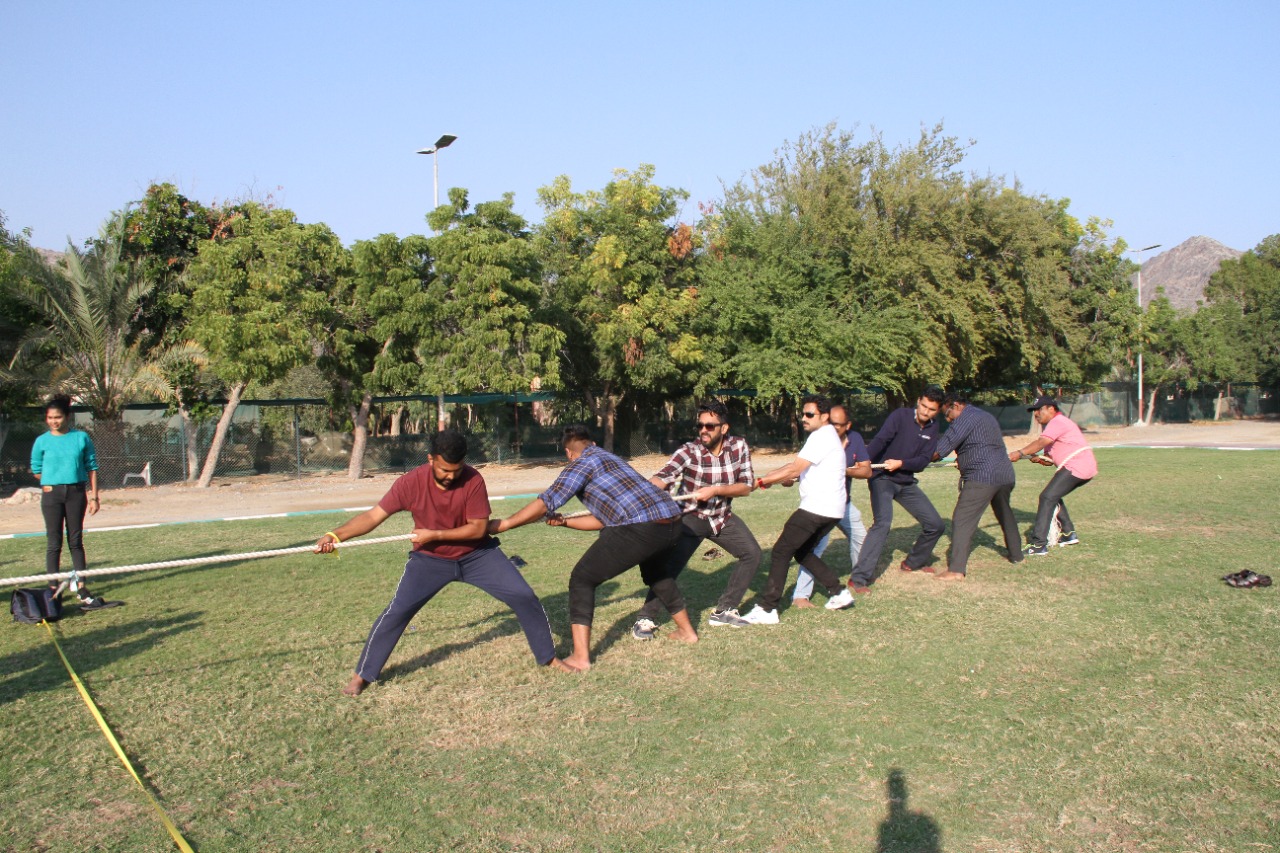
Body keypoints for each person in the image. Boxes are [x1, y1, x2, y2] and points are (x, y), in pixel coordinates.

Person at [314, 430, 573, 696]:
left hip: (478, 555)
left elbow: (477, 530)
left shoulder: (472, 480)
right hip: (429, 560)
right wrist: (336, 535)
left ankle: (548, 657)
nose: (451, 476)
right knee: (398, 611)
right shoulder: (409, 483)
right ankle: (362, 675)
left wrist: (434, 534)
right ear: (430, 460)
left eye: (456, 470)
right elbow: (373, 516)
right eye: (444, 470)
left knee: (523, 595)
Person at [488, 425, 698, 671]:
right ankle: (687, 632)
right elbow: (605, 520)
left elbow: (547, 501)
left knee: (582, 579)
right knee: (656, 573)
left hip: (642, 526)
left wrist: (505, 524)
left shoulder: (579, 465)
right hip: (672, 523)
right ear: (594, 444)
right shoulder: (610, 458)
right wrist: (565, 522)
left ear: (569, 453)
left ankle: (580, 658)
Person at [630, 400, 761, 637]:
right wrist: (642, 494)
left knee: (751, 553)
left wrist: (716, 490)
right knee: (671, 568)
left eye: (710, 426)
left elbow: (746, 486)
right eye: (700, 425)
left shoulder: (739, 447)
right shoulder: (689, 451)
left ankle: (725, 610)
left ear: (724, 428)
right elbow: (663, 476)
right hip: (691, 518)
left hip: (722, 517)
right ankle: (645, 619)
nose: (703, 430)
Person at [741, 395, 857, 623]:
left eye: (809, 414)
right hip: (832, 510)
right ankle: (838, 592)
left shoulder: (821, 437)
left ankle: (767, 609)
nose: (803, 418)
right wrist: (766, 479)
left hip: (816, 508)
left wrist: (762, 483)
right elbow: (796, 467)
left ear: (824, 417)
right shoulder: (827, 436)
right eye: (802, 413)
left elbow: (794, 470)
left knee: (781, 551)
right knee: (802, 551)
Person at [846, 387, 947, 590]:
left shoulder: (933, 428)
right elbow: (881, 440)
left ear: (938, 411)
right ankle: (858, 578)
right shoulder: (900, 416)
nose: (926, 412)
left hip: (905, 481)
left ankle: (913, 563)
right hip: (882, 477)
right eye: (924, 406)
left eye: (932, 410)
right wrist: (864, 461)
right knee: (882, 523)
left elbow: (922, 461)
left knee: (936, 524)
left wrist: (901, 463)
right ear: (918, 401)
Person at [30, 395, 117, 611]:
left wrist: (95, 496)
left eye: (58, 417)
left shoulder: (81, 438)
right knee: (54, 542)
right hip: (51, 496)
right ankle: (52, 590)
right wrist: (52, 482)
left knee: (75, 541)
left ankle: (82, 588)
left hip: (76, 493)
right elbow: (36, 469)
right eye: (50, 418)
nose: (54, 421)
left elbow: (92, 467)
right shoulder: (41, 441)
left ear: (67, 417)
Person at [929, 392, 1022, 580]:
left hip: (982, 476)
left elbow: (940, 450)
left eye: (947, 414)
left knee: (963, 518)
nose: (948, 420)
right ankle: (1017, 556)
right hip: (1004, 473)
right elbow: (980, 445)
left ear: (956, 405)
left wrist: (915, 458)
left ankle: (955, 570)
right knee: (1005, 513)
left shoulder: (964, 418)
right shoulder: (984, 415)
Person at [791, 404, 872, 606]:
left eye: (837, 425)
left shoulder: (855, 439)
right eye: (830, 423)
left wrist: (842, 470)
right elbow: (798, 468)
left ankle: (858, 578)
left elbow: (866, 471)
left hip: (843, 504)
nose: (832, 427)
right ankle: (801, 595)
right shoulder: (818, 439)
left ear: (848, 425)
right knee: (814, 549)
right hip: (820, 507)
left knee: (861, 537)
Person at [1010, 396, 1098, 556]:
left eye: (1039, 410)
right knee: (1053, 496)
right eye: (1034, 411)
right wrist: (1038, 459)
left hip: (1077, 465)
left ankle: (1038, 544)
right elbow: (1050, 459)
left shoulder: (1058, 422)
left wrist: (1019, 452)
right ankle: (1068, 534)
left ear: (1051, 409)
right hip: (1082, 466)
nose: (1036, 414)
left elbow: (1040, 443)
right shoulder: (1051, 426)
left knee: (1047, 497)